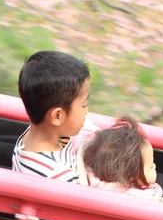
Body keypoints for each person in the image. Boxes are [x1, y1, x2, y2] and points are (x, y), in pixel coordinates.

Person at [11, 50, 99, 182]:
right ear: (58, 116)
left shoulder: (31, 135)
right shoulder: (60, 177)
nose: (86, 111)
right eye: (83, 105)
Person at [80, 116, 163, 205]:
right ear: (129, 174)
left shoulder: (98, 182)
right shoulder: (133, 199)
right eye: (149, 167)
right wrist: (161, 203)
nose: (154, 166)